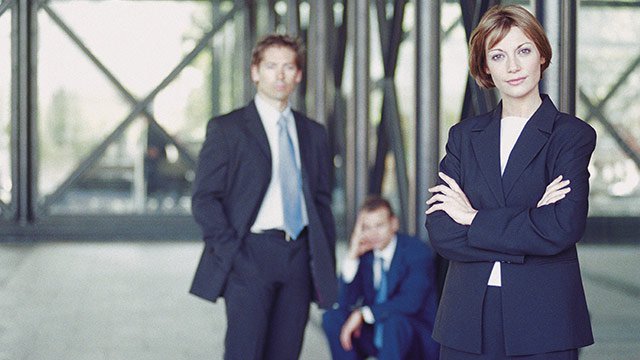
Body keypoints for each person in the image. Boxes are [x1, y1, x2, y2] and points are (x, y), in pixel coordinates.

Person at [425, 5, 595, 359]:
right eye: (498, 55)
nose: (513, 66)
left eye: (524, 50)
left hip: (544, 319)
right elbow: (441, 230)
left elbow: (564, 226)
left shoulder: (570, 135)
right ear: (485, 66)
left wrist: (473, 218)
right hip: (466, 320)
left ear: (541, 56)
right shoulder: (464, 136)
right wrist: (531, 219)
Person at [189, 34, 337, 360]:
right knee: (245, 352)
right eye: (271, 66)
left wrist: (322, 262)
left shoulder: (313, 133)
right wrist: (233, 251)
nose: (279, 75)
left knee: (286, 354)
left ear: (298, 74)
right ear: (255, 72)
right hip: (249, 254)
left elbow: (321, 202)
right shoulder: (228, 129)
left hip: (298, 255)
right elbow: (204, 198)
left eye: (288, 67)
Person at [323, 196, 440, 359]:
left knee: (394, 322)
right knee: (332, 318)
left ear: (394, 223)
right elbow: (343, 301)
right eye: (366, 227)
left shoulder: (417, 252)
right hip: (376, 334)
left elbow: (410, 302)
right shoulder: (366, 255)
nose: (373, 233)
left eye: (379, 225)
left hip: (412, 337)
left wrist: (363, 314)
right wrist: (352, 256)